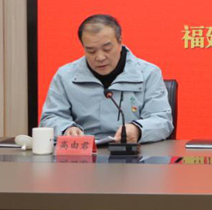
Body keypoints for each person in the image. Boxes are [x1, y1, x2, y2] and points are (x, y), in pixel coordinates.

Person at [39, 14, 173, 143]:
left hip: (132, 152)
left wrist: (138, 130)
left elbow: (162, 120)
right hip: (82, 153)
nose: (100, 57)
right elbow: (49, 118)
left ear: (120, 41)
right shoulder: (65, 76)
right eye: (91, 51)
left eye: (107, 49)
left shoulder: (148, 73)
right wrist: (66, 129)